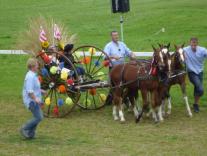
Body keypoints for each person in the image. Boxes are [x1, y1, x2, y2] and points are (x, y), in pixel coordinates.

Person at [104, 30, 135, 105]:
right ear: (111, 37)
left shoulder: (122, 44)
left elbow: (128, 52)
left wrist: (132, 54)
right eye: (114, 35)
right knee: (116, 86)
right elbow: (105, 57)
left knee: (124, 84)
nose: (116, 36)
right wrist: (113, 56)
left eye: (117, 35)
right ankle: (124, 100)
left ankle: (118, 99)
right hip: (114, 69)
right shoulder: (108, 46)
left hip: (123, 68)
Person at [20, 58, 44, 139]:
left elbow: (34, 88)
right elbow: (30, 91)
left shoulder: (33, 75)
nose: (38, 66)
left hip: (35, 100)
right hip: (31, 101)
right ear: (33, 66)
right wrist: (35, 99)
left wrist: (41, 91)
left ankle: (31, 134)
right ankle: (24, 128)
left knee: (38, 116)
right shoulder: (30, 77)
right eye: (37, 65)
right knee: (39, 117)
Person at [184, 37, 207, 113]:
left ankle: (195, 104)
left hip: (200, 72)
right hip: (191, 72)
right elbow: (178, 52)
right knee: (200, 89)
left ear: (197, 44)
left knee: (197, 88)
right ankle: (196, 104)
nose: (193, 46)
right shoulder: (185, 50)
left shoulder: (202, 50)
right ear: (190, 43)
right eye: (192, 44)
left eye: (195, 44)